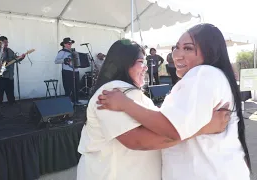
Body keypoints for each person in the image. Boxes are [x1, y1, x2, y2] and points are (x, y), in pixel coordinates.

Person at [97, 24, 251, 179]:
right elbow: (158, 130)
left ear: (210, 52)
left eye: (188, 48)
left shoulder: (203, 74)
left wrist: (125, 104)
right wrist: (205, 127)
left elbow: (170, 129)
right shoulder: (210, 76)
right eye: (177, 47)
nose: (177, 55)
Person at [77, 39, 230, 180]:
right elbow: (137, 140)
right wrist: (203, 126)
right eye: (139, 62)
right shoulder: (112, 91)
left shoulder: (127, 92)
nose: (145, 67)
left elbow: (154, 122)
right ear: (122, 64)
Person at [0, 36, 25, 106]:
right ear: (0, 42)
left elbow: (15, 59)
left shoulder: (10, 51)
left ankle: (12, 103)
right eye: (5, 42)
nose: (7, 44)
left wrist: (21, 57)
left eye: (7, 42)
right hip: (0, 76)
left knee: (10, 91)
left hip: (10, 76)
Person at [55, 37, 80, 103]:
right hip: (67, 71)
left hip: (76, 71)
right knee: (68, 87)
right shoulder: (62, 52)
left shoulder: (74, 51)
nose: (70, 45)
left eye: (71, 43)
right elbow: (56, 61)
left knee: (76, 86)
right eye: (69, 44)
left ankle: (75, 100)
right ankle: (68, 102)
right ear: (64, 44)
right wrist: (64, 60)